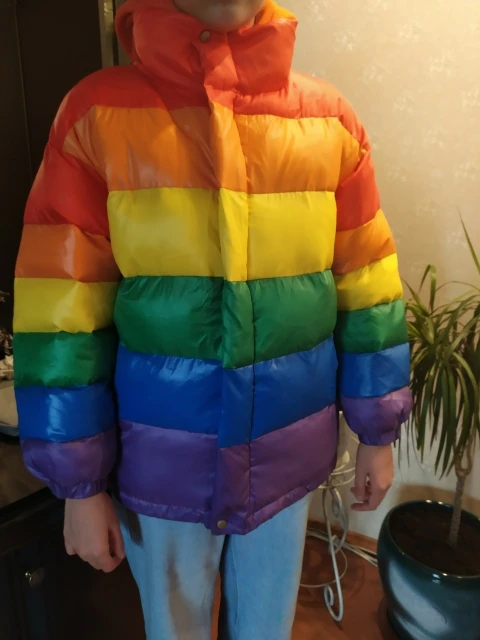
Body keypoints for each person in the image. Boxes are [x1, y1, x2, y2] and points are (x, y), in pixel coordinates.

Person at [13, 0, 412, 638]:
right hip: (160, 458)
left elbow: (368, 288)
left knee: (267, 628)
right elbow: (60, 311)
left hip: (286, 453)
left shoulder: (329, 121)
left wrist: (378, 432)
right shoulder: (97, 114)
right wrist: (77, 485)